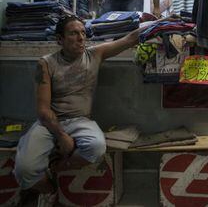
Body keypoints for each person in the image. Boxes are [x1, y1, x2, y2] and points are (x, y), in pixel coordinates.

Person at [13, 15, 142, 206]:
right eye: (74, 33)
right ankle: (49, 189)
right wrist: (62, 136)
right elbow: (43, 110)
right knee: (24, 170)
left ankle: (56, 168)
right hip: (49, 123)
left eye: (83, 32)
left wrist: (163, 23)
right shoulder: (46, 63)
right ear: (60, 39)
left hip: (81, 121)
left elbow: (130, 38)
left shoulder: (94, 55)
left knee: (96, 148)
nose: (81, 38)